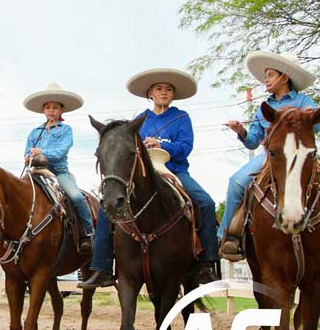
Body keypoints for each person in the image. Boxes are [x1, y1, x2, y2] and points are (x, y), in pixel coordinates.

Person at [218, 52, 320, 263]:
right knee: (236, 182)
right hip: (274, 156)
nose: (265, 80)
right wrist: (241, 131)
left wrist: (308, 116)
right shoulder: (264, 108)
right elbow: (252, 141)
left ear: (284, 77)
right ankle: (229, 237)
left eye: (269, 75)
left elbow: (319, 126)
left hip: (304, 154)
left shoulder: (304, 100)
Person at [80, 68, 219, 288]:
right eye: (159, 89)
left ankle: (206, 263)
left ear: (173, 95)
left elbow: (186, 146)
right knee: (107, 207)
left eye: (169, 89)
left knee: (205, 202)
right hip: (144, 173)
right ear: (150, 93)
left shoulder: (181, 117)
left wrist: (162, 145)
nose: (164, 92)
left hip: (174, 169)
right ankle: (102, 267)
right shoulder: (138, 121)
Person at [22, 83, 94, 252]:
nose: (51, 110)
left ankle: (88, 234)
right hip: (36, 173)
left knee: (76, 197)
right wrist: (27, 157)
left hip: (58, 173)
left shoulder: (66, 130)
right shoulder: (35, 132)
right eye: (48, 107)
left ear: (61, 110)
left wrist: (42, 152)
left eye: (55, 107)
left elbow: (61, 152)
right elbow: (27, 151)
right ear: (43, 110)